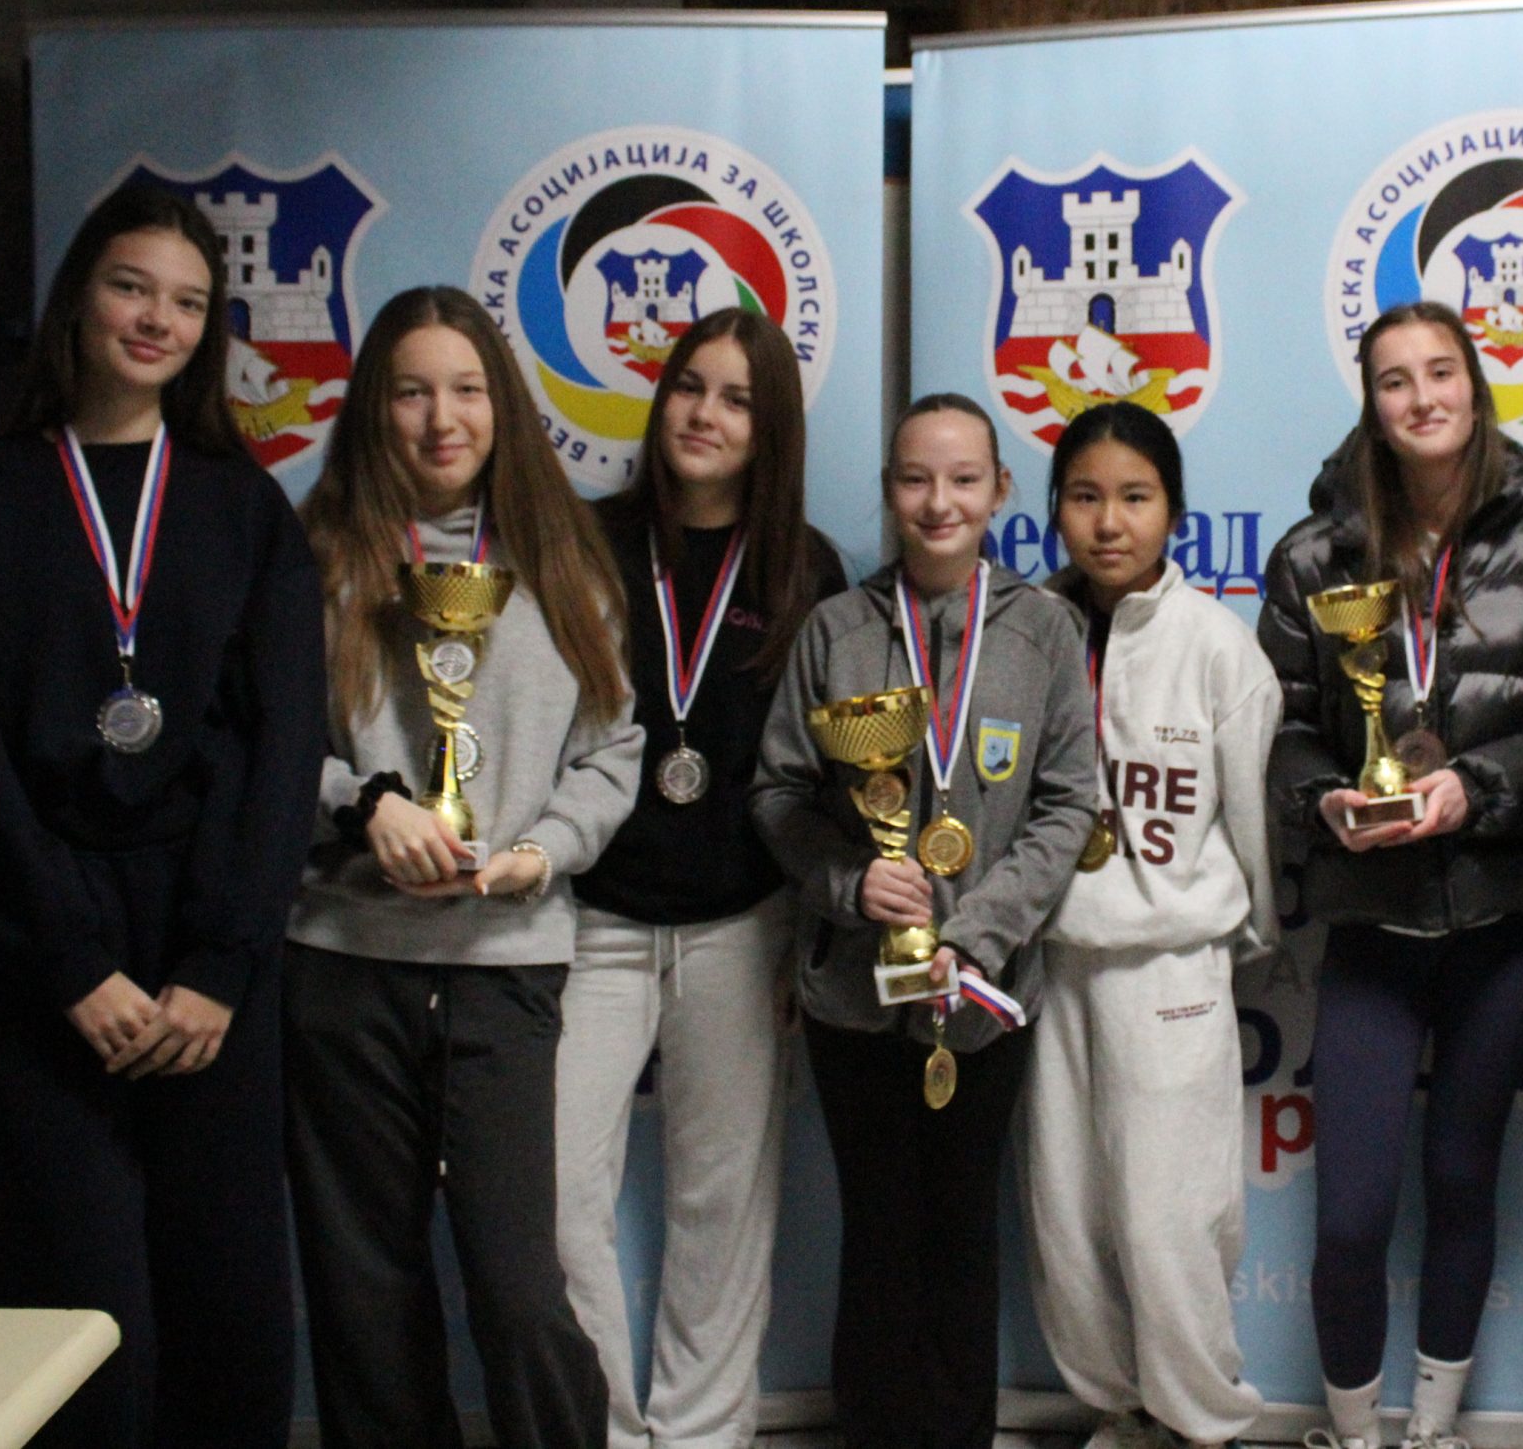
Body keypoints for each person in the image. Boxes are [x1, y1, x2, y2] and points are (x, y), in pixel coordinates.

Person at [0, 185, 328, 1448]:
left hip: (207, 954)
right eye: (131, 287)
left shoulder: (242, 507)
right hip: (39, 951)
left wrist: (220, 964)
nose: (157, 320)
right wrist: (67, 963)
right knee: (75, 1304)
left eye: (189, 303)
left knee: (225, 1298)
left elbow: (281, 749)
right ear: (77, 299)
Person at [289, 285, 642, 1449]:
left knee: (520, 1286)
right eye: (411, 392)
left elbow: (613, 750)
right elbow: (260, 750)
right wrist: (365, 808)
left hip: (506, 966)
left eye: (466, 389)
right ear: (372, 408)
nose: (442, 420)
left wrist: (544, 850)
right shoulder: (316, 558)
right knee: (364, 1288)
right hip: (346, 962)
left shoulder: (565, 560)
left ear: (503, 405)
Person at [1260, 301, 1523, 1449]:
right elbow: (1283, 728)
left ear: (1475, 384)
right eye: (1395, 380)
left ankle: (1435, 1429)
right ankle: (1354, 1432)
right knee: (1352, 1213)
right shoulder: (1313, 556)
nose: (1422, 398)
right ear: (1371, 403)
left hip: (1503, 924)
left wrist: (1479, 787)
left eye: (1441, 373)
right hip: (1370, 923)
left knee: (1462, 1181)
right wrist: (1326, 801)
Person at [751, 392, 1096, 1449]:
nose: (938, 500)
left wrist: (977, 930)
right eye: (914, 478)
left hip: (982, 996)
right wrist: (850, 884)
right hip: (857, 997)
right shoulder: (836, 630)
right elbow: (778, 794)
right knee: (879, 1232)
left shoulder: (1044, 629)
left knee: (960, 1229)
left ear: (999, 490)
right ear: (890, 491)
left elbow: (1068, 805)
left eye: (962, 478)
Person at [556, 307, 846, 1449]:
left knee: (723, 1202)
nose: (705, 415)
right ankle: (602, 1428)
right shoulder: (585, 540)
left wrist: (806, 933)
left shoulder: (805, 568)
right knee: (555, 1194)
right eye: (688, 386)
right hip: (592, 917)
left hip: (741, 923)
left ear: (770, 428)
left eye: (736, 399)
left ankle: (703, 1432)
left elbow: (824, 777)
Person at [1020, 402, 1281, 1449]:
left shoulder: (1216, 646)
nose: (1109, 522)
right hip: (1050, 962)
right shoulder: (1026, 629)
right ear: (1055, 510)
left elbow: (1254, 822)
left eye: (1135, 497)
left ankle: (1202, 1423)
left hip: (1169, 962)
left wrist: (1242, 941)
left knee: (1168, 1218)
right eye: (1084, 497)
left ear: (1173, 510)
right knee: (1068, 1216)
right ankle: (1121, 1411)